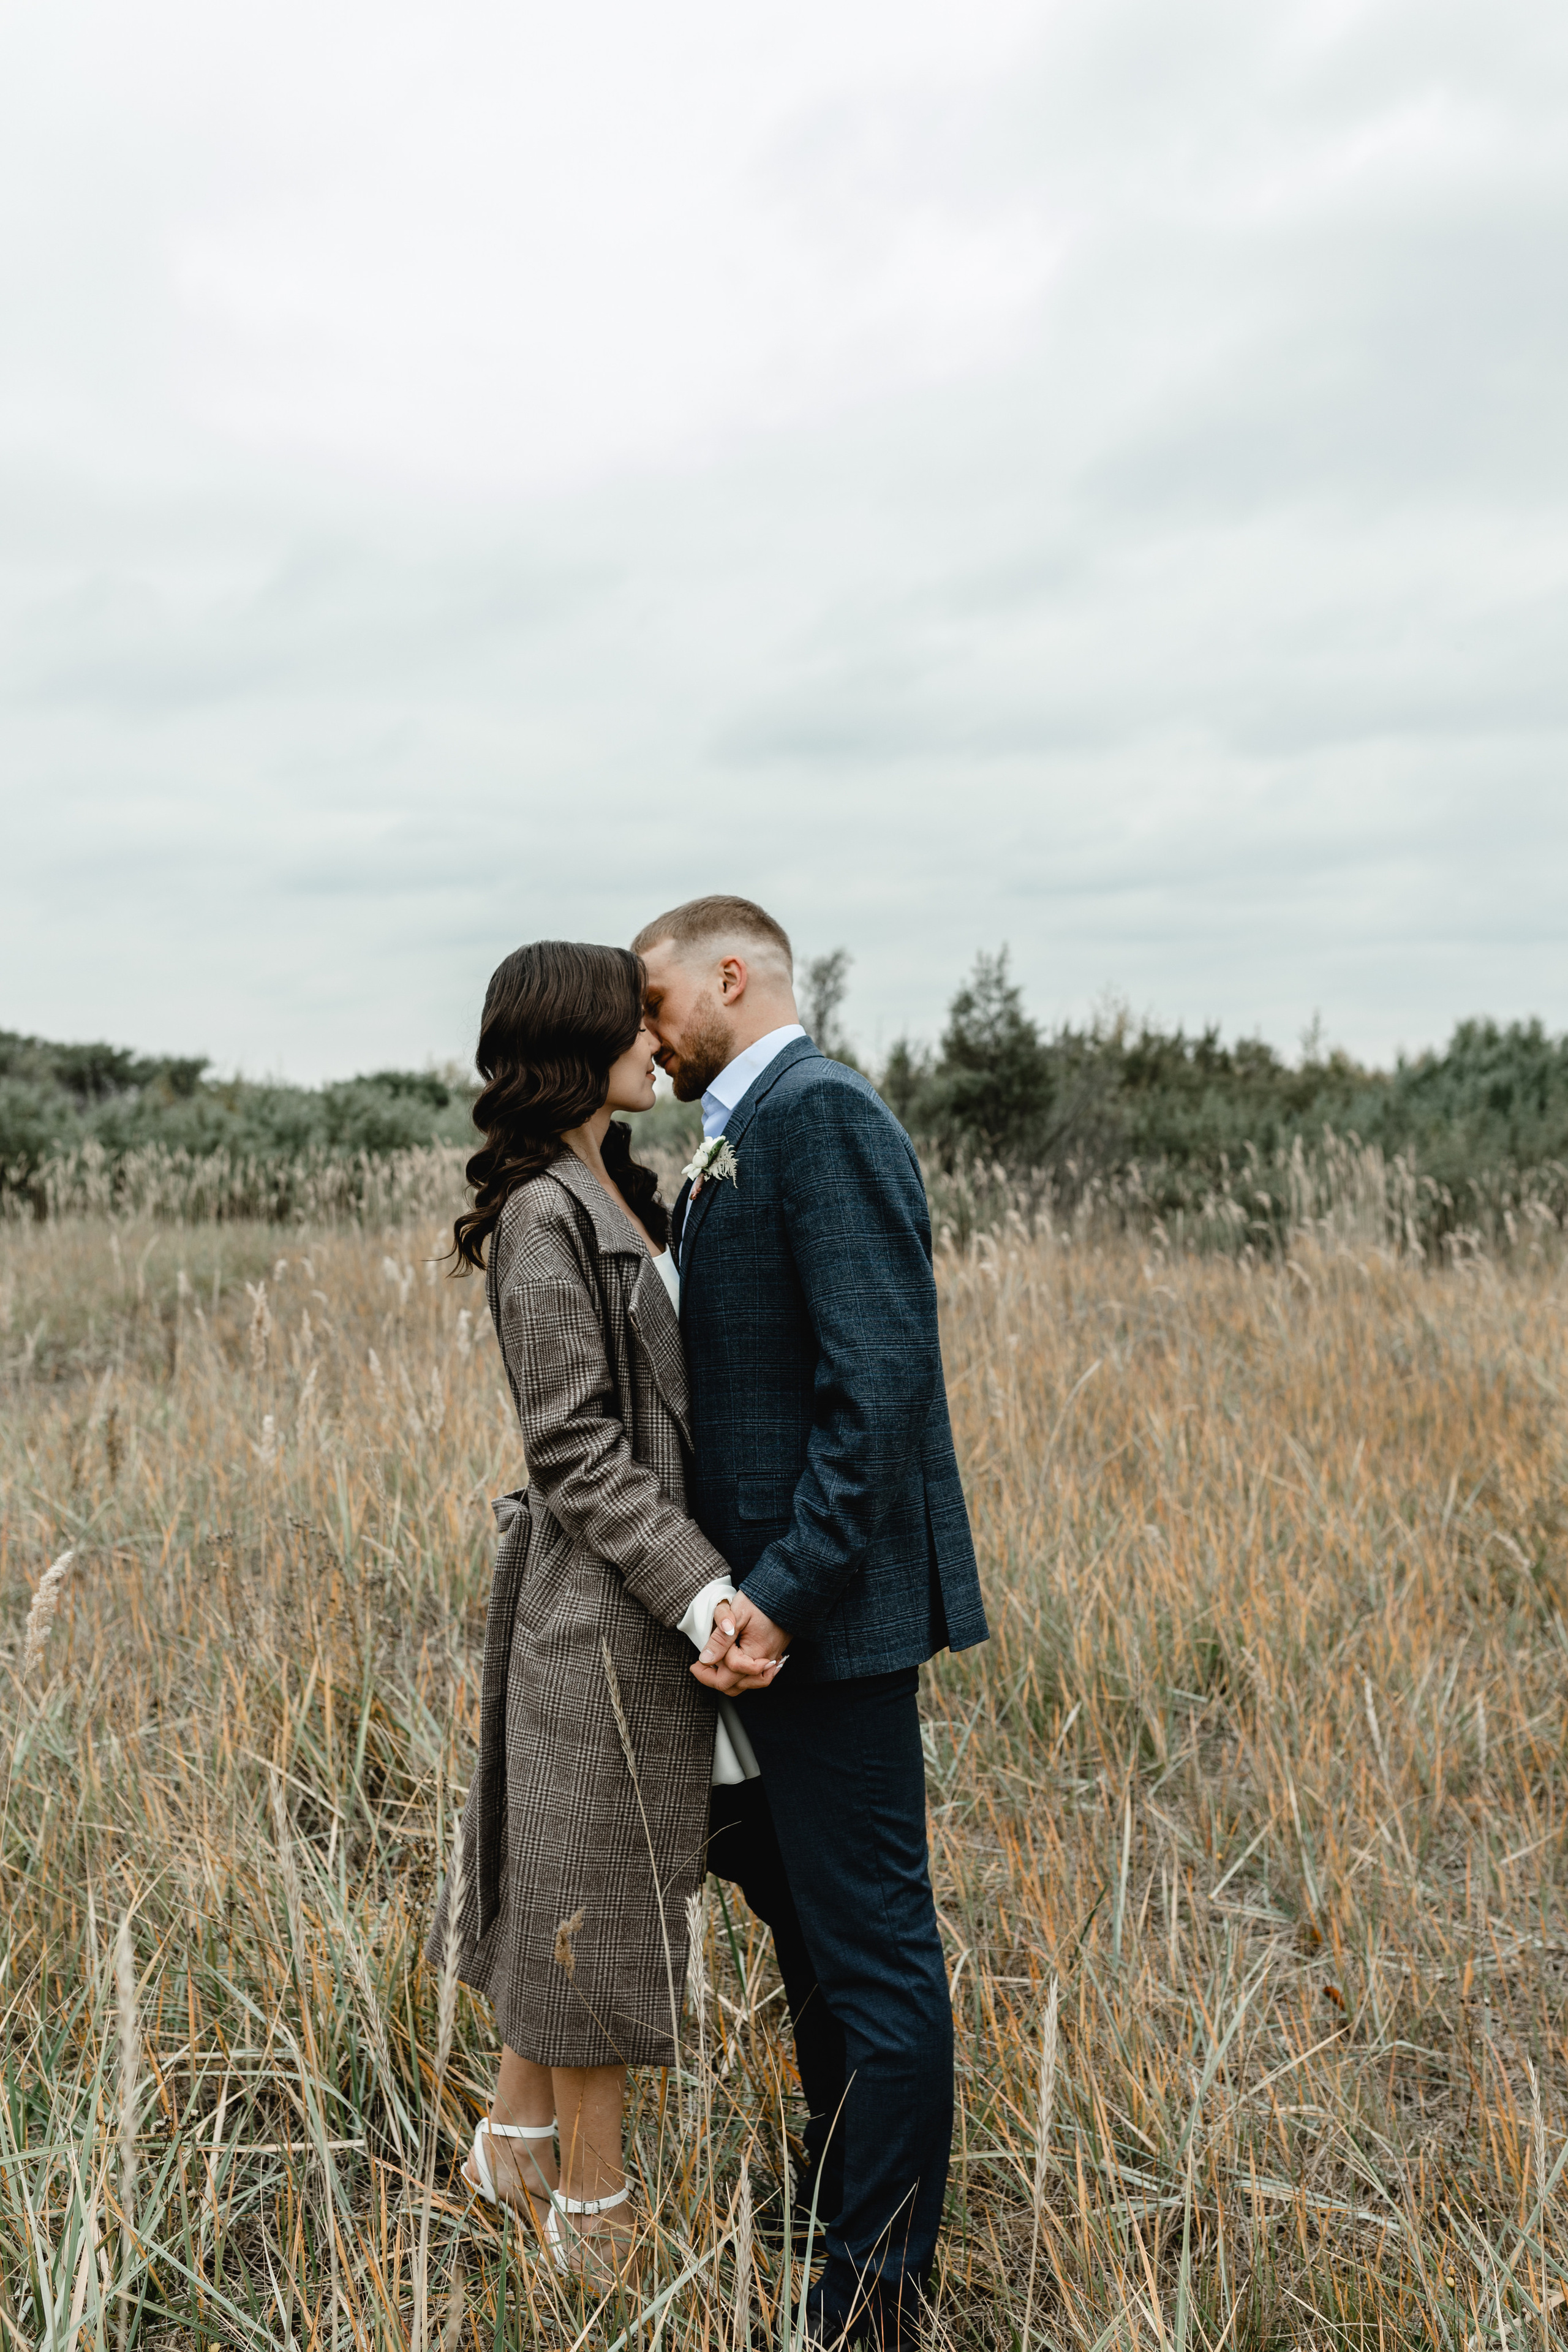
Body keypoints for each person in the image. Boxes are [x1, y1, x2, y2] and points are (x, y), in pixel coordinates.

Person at [635, 894, 989, 2350]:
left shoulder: (817, 1114)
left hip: (826, 1621)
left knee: (875, 1954)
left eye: (658, 1001)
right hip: (773, 1621)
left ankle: (873, 2301)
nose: (646, 1032)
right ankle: (836, 2220)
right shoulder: (732, 1132)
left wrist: (777, 1597)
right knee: (818, 1948)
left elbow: (878, 1386)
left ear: (733, 974)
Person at [427, 938, 797, 2278]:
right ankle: (594, 2228)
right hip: (599, 1616)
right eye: (634, 1018)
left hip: (647, 1611)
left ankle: (512, 2151)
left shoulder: (616, 1187)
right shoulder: (540, 1212)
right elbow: (573, 1451)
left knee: (586, 1891)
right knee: (593, 1914)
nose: (661, 1035)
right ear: (576, 1042)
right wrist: (705, 1594)